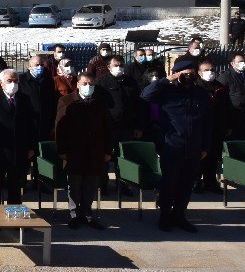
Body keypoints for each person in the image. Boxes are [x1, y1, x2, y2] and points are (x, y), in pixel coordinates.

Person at [140, 58, 212, 233]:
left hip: (194, 147)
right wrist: (167, 79)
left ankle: (179, 215)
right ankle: (165, 216)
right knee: (169, 183)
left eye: (191, 73)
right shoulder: (167, 91)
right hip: (172, 146)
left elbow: (208, 123)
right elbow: (144, 95)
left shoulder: (202, 94)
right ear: (178, 73)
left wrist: (205, 147)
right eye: (184, 73)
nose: (188, 76)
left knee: (187, 185)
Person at [55, 74, 112, 230]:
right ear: (78, 84)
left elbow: (108, 128)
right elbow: (60, 128)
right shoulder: (66, 101)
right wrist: (62, 150)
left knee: (91, 185)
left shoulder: (100, 103)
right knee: (74, 185)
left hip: (95, 152)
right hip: (74, 152)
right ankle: (74, 214)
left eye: (91, 83)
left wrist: (108, 150)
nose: (88, 86)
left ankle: (87, 214)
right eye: (85, 83)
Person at [0, 70, 36, 205]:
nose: (13, 84)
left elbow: (31, 125)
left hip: (18, 150)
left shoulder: (24, 99)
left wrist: (31, 147)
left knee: (15, 187)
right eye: (10, 81)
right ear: (2, 83)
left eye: (16, 81)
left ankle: (14, 218)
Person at [96, 55, 143, 194]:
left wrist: (139, 126)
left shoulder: (130, 82)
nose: (119, 68)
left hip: (127, 127)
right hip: (108, 127)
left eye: (121, 65)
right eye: (115, 65)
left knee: (124, 158)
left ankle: (123, 186)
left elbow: (138, 105)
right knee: (105, 157)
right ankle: (102, 185)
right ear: (109, 67)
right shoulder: (102, 82)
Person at [195, 60, 232, 195]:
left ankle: (210, 182)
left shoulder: (220, 88)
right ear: (199, 72)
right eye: (206, 70)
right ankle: (197, 181)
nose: (209, 73)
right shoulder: (196, 87)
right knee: (200, 155)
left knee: (214, 156)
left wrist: (228, 125)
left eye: (211, 69)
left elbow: (227, 108)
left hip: (217, 127)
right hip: (201, 128)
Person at [20, 55, 57, 144]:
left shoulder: (48, 79)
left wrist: (52, 122)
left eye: (41, 65)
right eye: (36, 65)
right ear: (29, 66)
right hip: (28, 123)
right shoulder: (21, 80)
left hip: (45, 122)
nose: (39, 67)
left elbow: (52, 100)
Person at [218, 52, 245, 140]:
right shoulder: (225, 76)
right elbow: (221, 97)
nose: (243, 63)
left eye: (244, 61)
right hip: (233, 114)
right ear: (232, 63)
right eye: (240, 61)